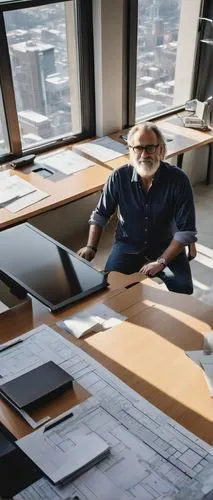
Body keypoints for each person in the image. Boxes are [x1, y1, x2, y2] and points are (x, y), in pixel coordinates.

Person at [78, 122, 197, 294]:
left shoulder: (179, 180)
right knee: (111, 289)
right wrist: (91, 247)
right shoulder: (118, 177)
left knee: (184, 290)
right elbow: (101, 215)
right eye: (138, 148)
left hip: (167, 245)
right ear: (130, 150)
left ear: (161, 149)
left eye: (150, 148)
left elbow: (185, 231)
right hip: (127, 246)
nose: (144, 155)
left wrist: (161, 261)